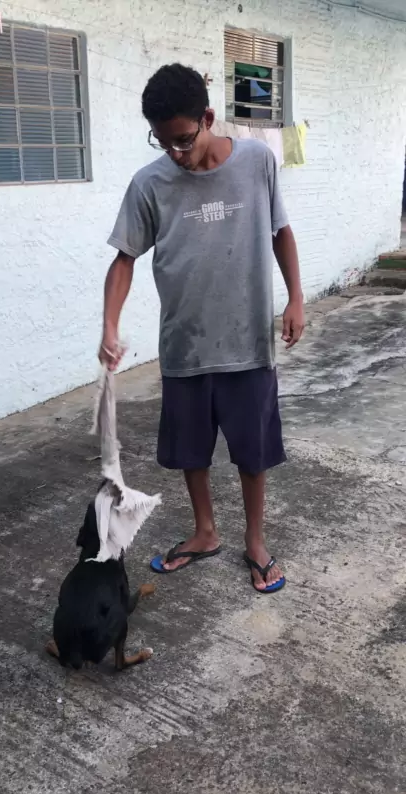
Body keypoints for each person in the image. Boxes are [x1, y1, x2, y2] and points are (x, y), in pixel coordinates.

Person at [99, 63, 304, 593]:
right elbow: (124, 259)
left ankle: (255, 541)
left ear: (208, 118)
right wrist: (109, 324)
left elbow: (281, 231)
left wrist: (296, 298)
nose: (175, 152)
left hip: (247, 344)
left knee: (253, 452)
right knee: (192, 451)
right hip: (185, 347)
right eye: (162, 141)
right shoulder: (149, 184)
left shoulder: (257, 162)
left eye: (184, 139)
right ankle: (205, 531)